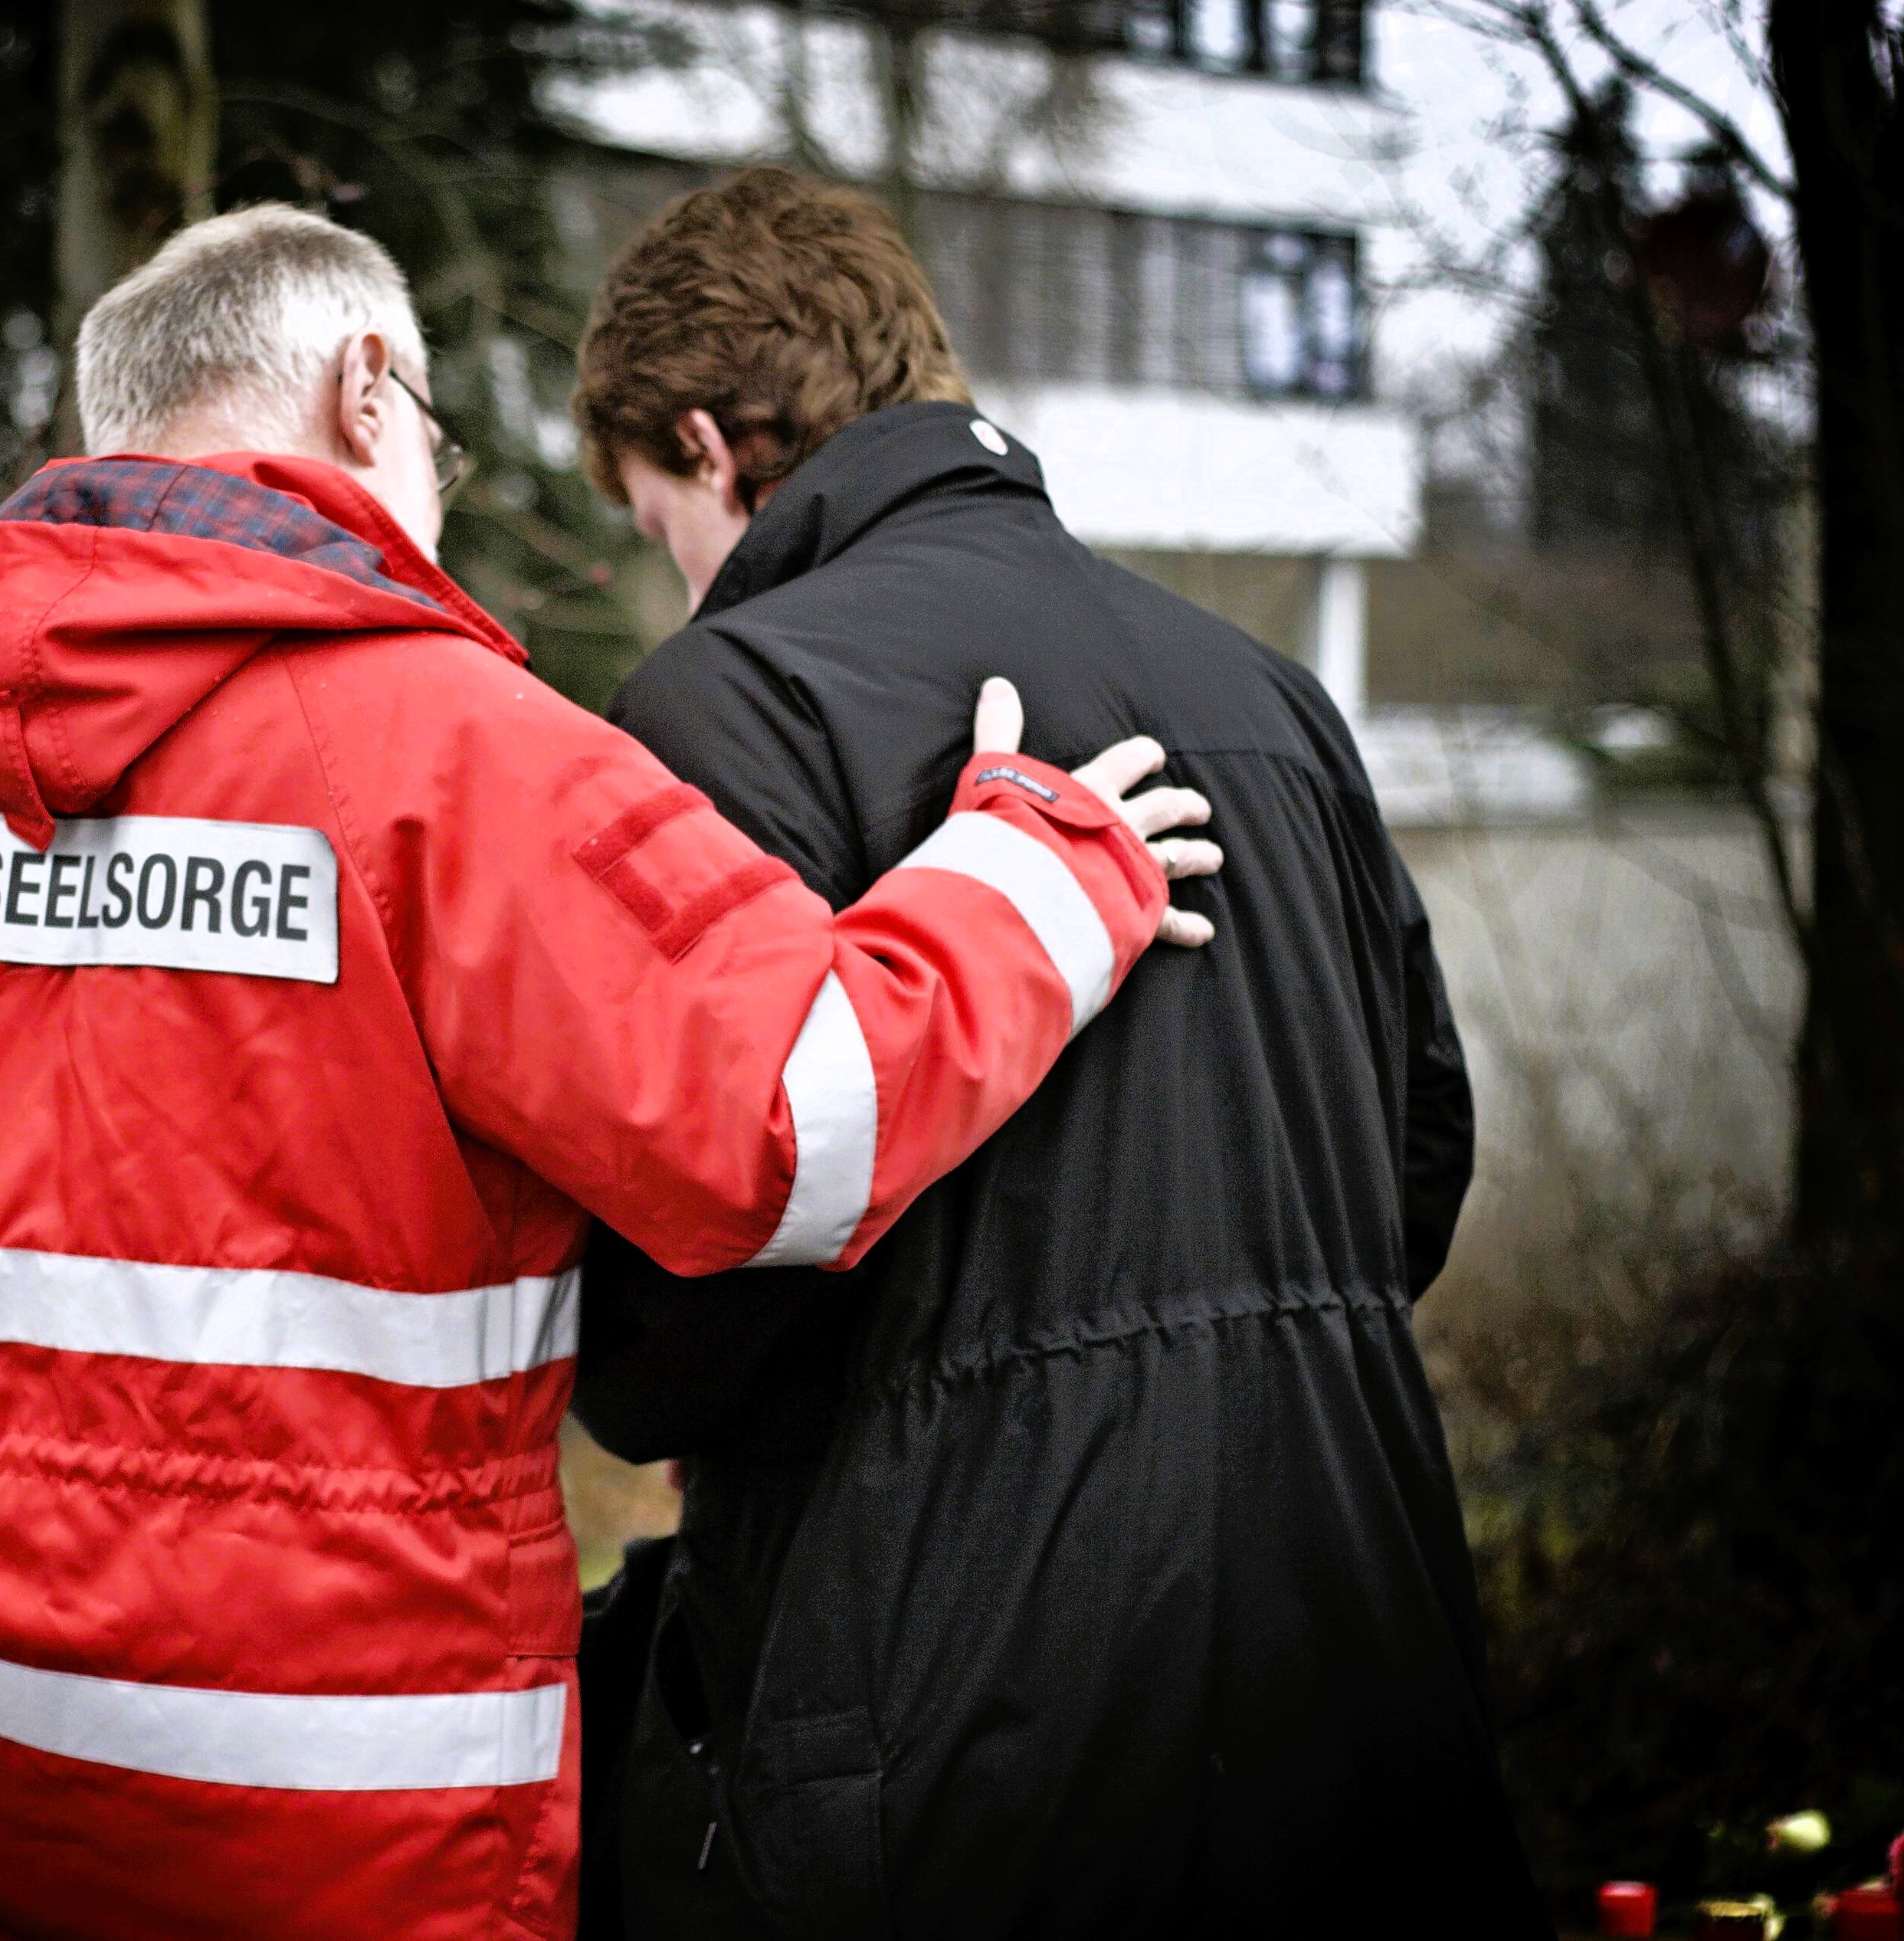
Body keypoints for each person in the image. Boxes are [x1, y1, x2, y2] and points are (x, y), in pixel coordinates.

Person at [0, 203, 1212, 1940]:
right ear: (368, 391)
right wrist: (1041, 869)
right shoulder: (445, 750)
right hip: (363, 1847)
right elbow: (793, 1119)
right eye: (434, 433)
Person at [566, 166, 1549, 1939]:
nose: (680, 579)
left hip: (949, 1717)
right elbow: (1415, 1165)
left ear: (710, 447)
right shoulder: (1263, 692)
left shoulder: (734, 705)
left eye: (657, 524)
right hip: (1354, 1659)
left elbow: (675, 1291)